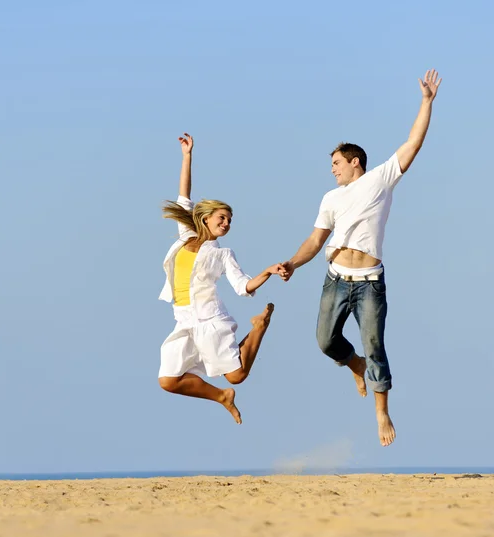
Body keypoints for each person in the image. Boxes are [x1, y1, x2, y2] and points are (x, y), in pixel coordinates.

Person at [281, 69, 442, 446]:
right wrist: (292, 262)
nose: (332, 169)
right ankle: (353, 365)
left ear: (355, 162)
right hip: (335, 278)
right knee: (325, 342)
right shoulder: (330, 199)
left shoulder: (380, 179)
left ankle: (382, 412)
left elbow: (412, 143)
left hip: (370, 282)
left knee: (375, 347)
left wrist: (426, 102)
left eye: (336, 162)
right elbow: (315, 240)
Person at [158, 133, 284, 424]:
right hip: (184, 321)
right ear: (205, 218)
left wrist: (267, 271)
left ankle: (259, 327)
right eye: (222, 218)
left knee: (237, 375)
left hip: (210, 321)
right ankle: (221, 396)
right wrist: (187, 156)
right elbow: (184, 197)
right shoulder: (184, 237)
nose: (226, 224)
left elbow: (242, 285)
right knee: (168, 381)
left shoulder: (223, 253)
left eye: (229, 220)